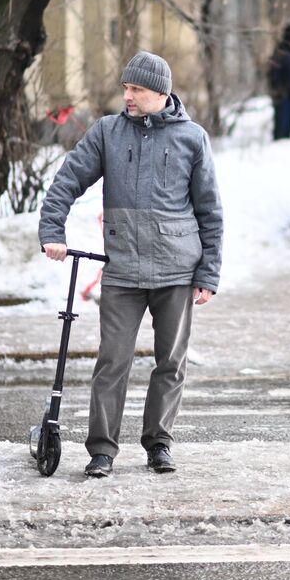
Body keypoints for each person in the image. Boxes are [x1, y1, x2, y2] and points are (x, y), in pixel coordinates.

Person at [39, 51, 223, 479]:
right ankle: (102, 449)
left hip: (177, 270)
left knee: (170, 363)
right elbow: (67, 180)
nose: (128, 96)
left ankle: (159, 444)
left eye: (136, 89)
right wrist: (53, 230)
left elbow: (210, 210)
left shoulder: (192, 138)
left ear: (161, 92)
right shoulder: (107, 132)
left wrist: (208, 273)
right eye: (125, 88)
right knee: (112, 362)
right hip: (122, 269)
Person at [266, 23, 290, 140]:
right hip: (283, 97)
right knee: (281, 129)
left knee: (289, 129)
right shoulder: (280, 52)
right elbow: (273, 74)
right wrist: (281, 91)